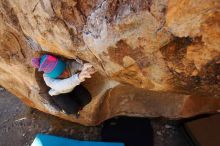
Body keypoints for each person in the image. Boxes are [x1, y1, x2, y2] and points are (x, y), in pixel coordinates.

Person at [31, 54, 95, 117]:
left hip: (72, 86)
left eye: (64, 69)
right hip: (58, 93)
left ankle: (76, 107)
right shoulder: (48, 79)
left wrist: (86, 67)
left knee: (87, 99)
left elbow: (76, 65)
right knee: (72, 109)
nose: (66, 73)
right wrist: (78, 77)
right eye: (61, 74)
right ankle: (67, 110)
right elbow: (60, 85)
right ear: (54, 76)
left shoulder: (67, 64)